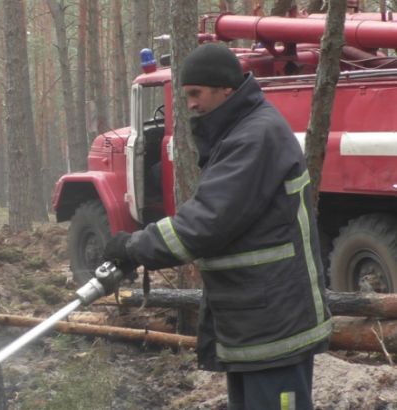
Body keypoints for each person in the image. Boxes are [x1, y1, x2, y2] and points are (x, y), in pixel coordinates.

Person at [103, 43, 331, 410]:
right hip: (255, 321)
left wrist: (133, 248)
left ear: (226, 88)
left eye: (196, 93)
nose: (190, 104)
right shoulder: (240, 131)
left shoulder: (254, 136)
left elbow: (206, 222)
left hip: (273, 325)